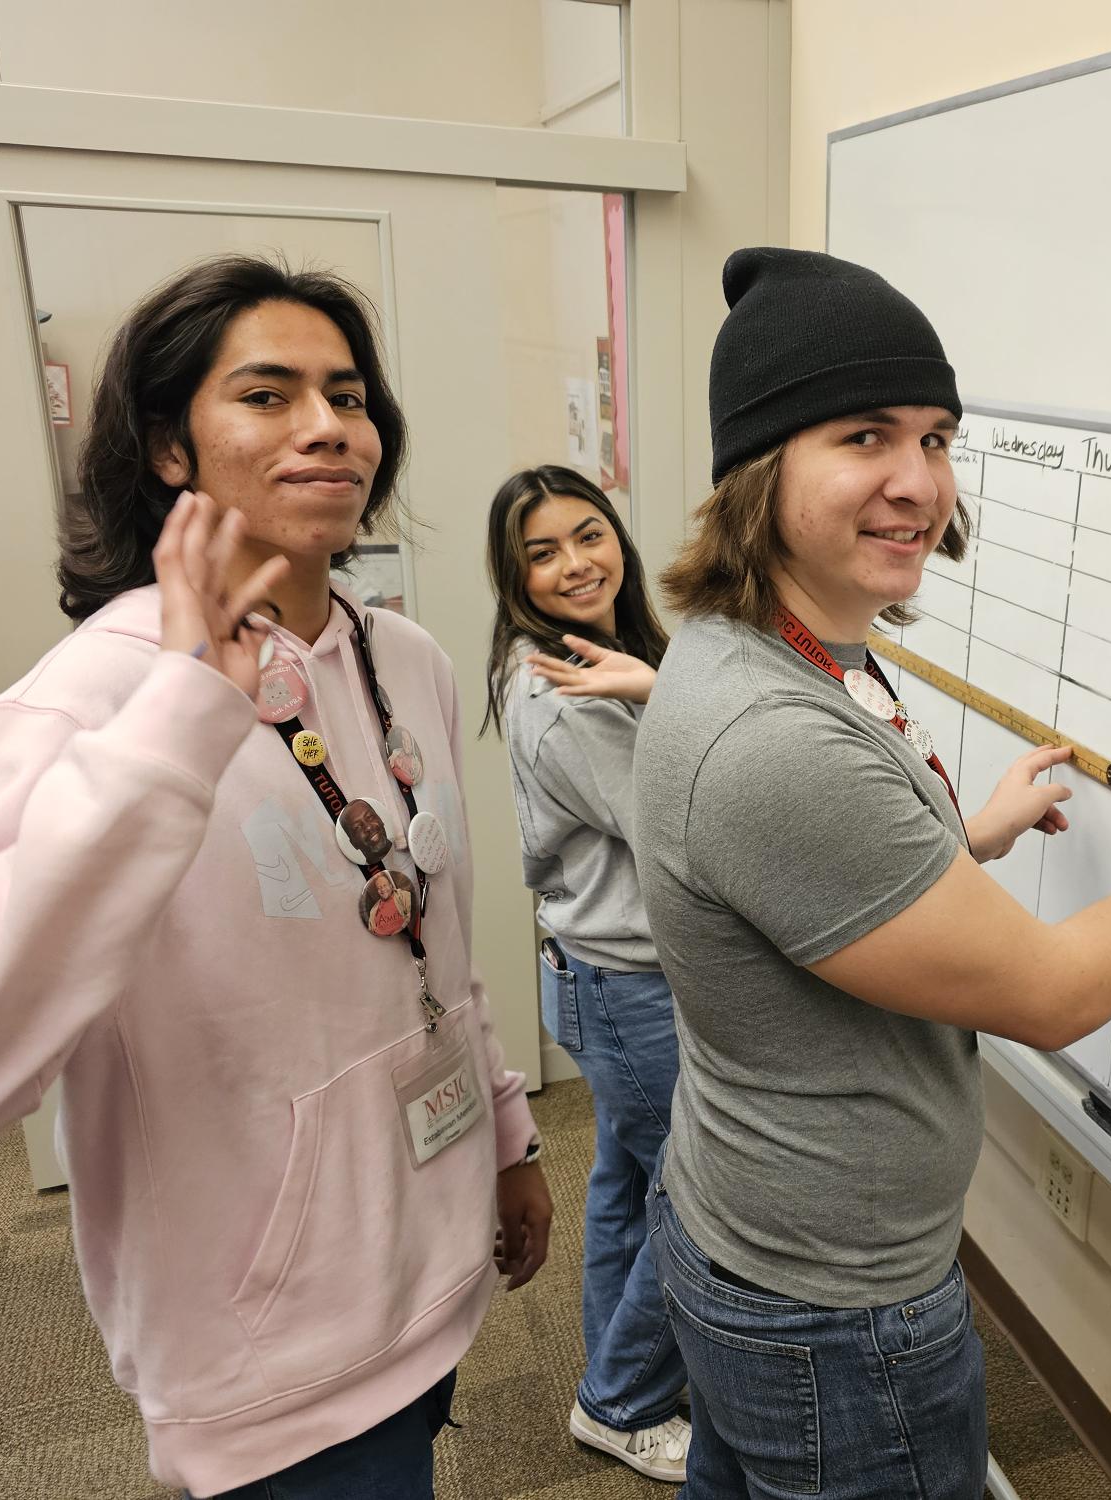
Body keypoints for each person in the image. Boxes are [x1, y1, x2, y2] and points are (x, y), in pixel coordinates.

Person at [0, 255, 553, 1500]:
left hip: (425, 1273)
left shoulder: (406, 657)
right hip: (264, 1355)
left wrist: (503, 1130)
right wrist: (180, 721)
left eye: (347, 395)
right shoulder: (87, 703)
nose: (329, 427)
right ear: (172, 450)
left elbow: (431, 942)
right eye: (268, 396)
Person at [633, 248, 1111, 1498]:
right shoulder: (772, 740)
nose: (918, 483)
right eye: (863, 436)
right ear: (758, 468)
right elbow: (1054, 994)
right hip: (832, 1311)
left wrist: (966, 843)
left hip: (748, 1235)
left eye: (937, 437)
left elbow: (812, 901)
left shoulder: (773, 650)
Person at [482, 465, 692, 1480]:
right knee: (690, 1195)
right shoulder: (564, 692)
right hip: (628, 985)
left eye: (589, 535)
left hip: (601, 972)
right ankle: (622, 1399)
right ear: (512, 574)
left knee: (628, 1182)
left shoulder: (588, 657)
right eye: (543, 552)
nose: (576, 564)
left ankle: (617, 1375)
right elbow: (679, 828)